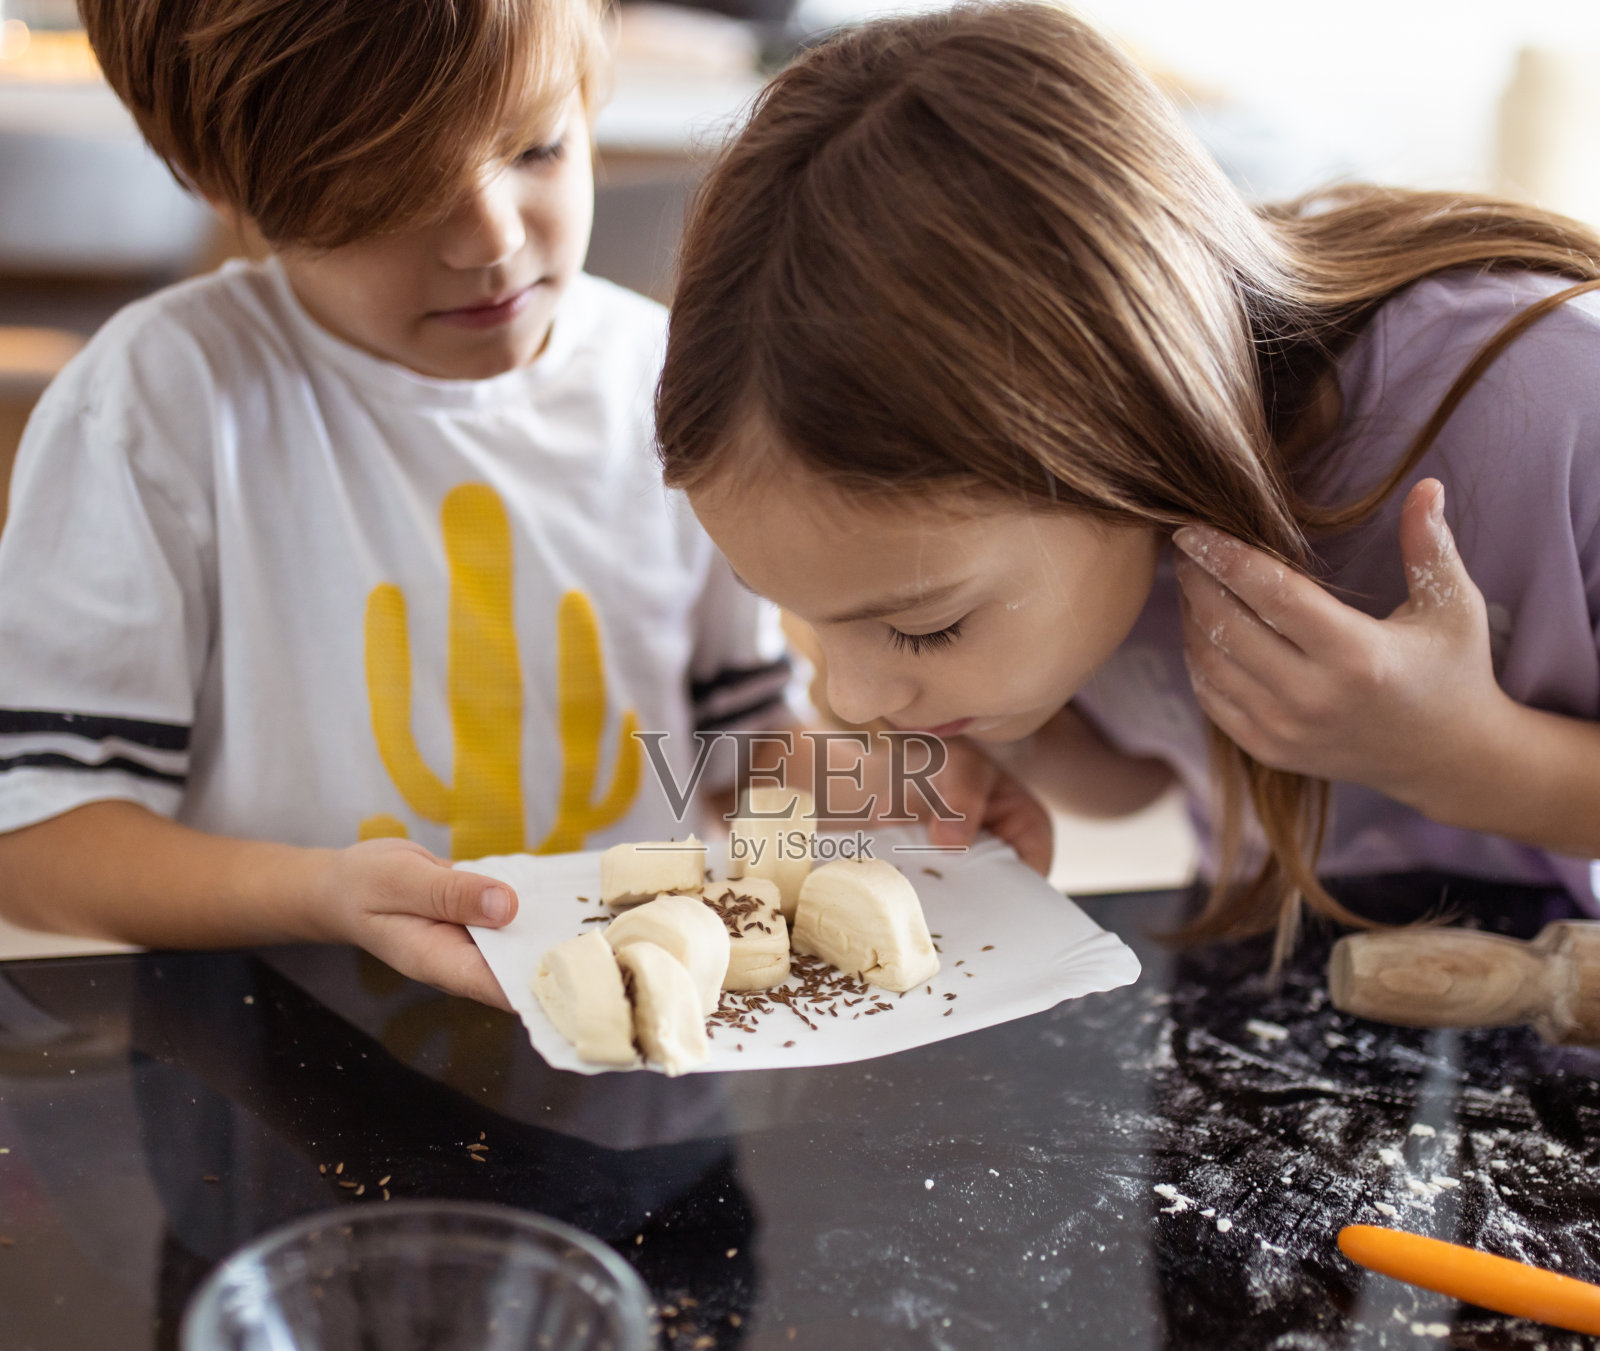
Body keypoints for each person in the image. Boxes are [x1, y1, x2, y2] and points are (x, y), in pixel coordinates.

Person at [0, 0, 1046, 1004]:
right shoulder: (161, 406)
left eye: (537, 147)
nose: (489, 238)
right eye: (392, 193)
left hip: (645, 1070)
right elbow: (35, 837)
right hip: (275, 1071)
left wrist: (891, 789)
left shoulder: (676, 384)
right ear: (236, 188)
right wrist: (323, 895)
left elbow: (731, 748)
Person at [656, 1, 1600, 963]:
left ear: (1126, 422)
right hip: (1272, 980)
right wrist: (1005, 745)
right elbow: (1143, 772)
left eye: (924, 626)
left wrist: (1458, 757)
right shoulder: (1092, 531)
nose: (853, 696)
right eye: (814, 620)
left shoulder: (1554, 402)